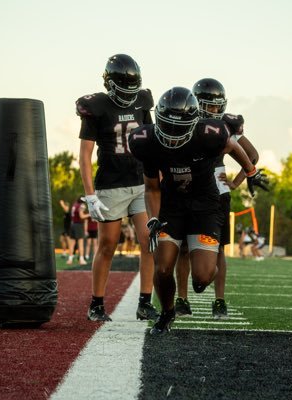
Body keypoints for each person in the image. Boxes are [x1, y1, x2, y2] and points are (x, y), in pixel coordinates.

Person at [129, 86, 268, 334]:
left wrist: (250, 171)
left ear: (193, 124)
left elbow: (233, 146)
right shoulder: (145, 140)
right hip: (171, 204)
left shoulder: (208, 134)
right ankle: (167, 313)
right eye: (167, 127)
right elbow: (152, 188)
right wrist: (153, 218)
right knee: (162, 267)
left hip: (205, 204)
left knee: (202, 278)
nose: (172, 136)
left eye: (178, 129)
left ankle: (204, 272)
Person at [77, 53, 159, 322]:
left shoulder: (143, 100)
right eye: (123, 89)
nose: (129, 95)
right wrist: (90, 195)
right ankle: (97, 303)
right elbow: (85, 155)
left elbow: (152, 140)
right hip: (111, 184)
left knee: (149, 240)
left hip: (140, 182)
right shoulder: (96, 108)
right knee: (108, 244)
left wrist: (160, 176)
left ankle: (145, 301)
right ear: (109, 84)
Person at [174, 78, 262, 319]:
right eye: (209, 106)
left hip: (214, 192)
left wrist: (234, 182)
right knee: (182, 247)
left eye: (217, 106)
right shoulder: (186, 120)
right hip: (188, 189)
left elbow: (252, 155)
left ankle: (219, 300)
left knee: (219, 250)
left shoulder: (228, 124)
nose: (214, 111)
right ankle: (182, 299)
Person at [67, 196, 89, 266]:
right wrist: (90, 214)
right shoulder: (81, 205)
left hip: (73, 225)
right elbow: (81, 216)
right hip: (78, 225)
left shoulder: (74, 204)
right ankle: (81, 259)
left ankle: (70, 259)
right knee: (80, 243)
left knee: (72, 244)